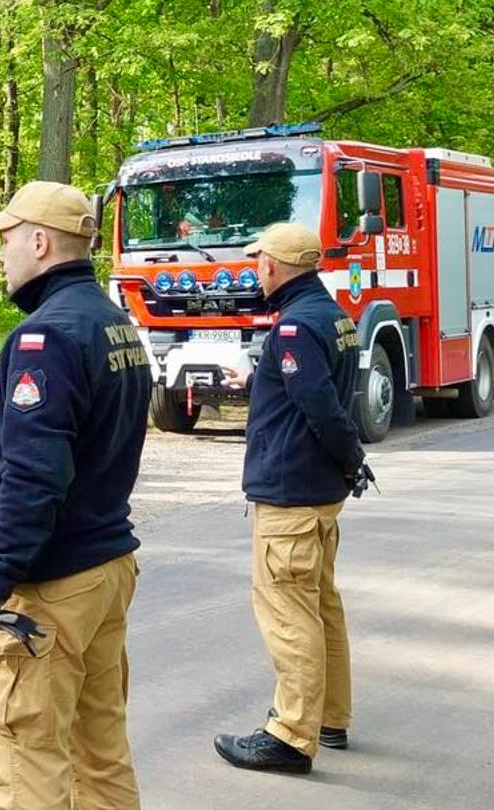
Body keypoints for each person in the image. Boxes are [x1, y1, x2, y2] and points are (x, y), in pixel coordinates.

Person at [0, 181, 148, 808]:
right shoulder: (114, 324)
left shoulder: (47, 337)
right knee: (100, 754)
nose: (1, 254)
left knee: (25, 760)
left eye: (7, 240)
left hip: (54, 585)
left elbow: (35, 478)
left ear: (40, 242)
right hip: (106, 567)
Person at [212, 222, 366, 774]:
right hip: (320, 491)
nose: (256, 269)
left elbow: (320, 407)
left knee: (288, 614)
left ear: (275, 265)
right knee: (322, 606)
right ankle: (330, 717)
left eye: (259, 262)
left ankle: (290, 736)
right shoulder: (333, 316)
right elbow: (309, 390)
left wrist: (353, 458)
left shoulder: (295, 327)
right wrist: (256, 380)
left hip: (292, 493)